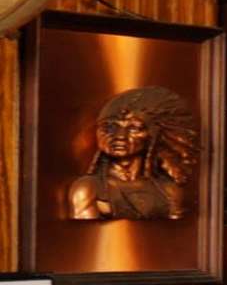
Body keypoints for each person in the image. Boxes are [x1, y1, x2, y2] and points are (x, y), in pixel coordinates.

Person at [62, 85, 197, 225]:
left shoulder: (169, 191)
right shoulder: (88, 189)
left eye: (134, 128)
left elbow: (175, 237)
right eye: (109, 127)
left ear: (152, 135)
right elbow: (88, 236)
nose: (120, 136)